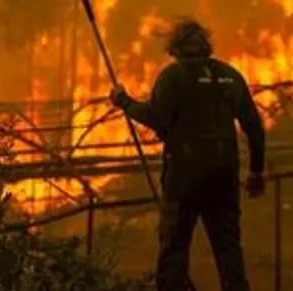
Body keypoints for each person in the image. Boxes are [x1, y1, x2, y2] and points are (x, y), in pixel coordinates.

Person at [110, 17, 267, 291]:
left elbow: (157, 118)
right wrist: (256, 171)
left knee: (174, 247)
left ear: (176, 48)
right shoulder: (230, 76)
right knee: (228, 248)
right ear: (206, 46)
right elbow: (254, 127)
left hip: (184, 177)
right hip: (223, 176)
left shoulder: (174, 77)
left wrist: (125, 103)